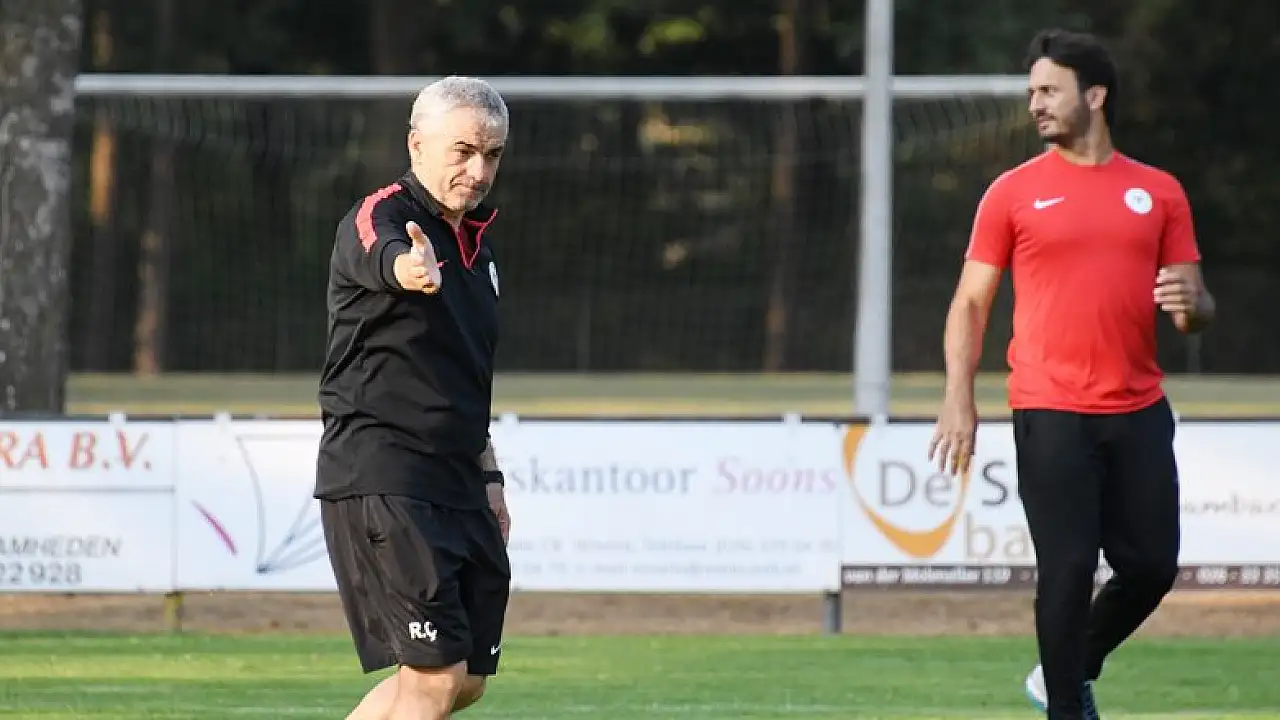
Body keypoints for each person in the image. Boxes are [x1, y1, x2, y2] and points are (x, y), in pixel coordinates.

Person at [928, 29, 1215, 720]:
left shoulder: (1159, 193)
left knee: (1151, 566)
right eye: (1032, 92)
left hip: (1138, 409)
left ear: (1095, 95)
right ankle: (1066, 707)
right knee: (1067, 567)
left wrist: (1193, 304)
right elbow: (971, 302)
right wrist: (957, 397)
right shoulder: (1012, 193)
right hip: (1050, 407)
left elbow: (1195, 309)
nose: (1036, 104)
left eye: (1049, 90)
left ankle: (1069, 666)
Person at [314, 75, 514, 720]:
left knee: (466, 679)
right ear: (417, 144)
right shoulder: (381, 215)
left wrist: (490, 476)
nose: (478, 171)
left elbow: (466, 378)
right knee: (433, 676)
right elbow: (385, 254)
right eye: (463, 151)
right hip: (386, 469)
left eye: (491, 154)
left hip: (459, 480)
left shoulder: (479, 250)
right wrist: (409, 269)